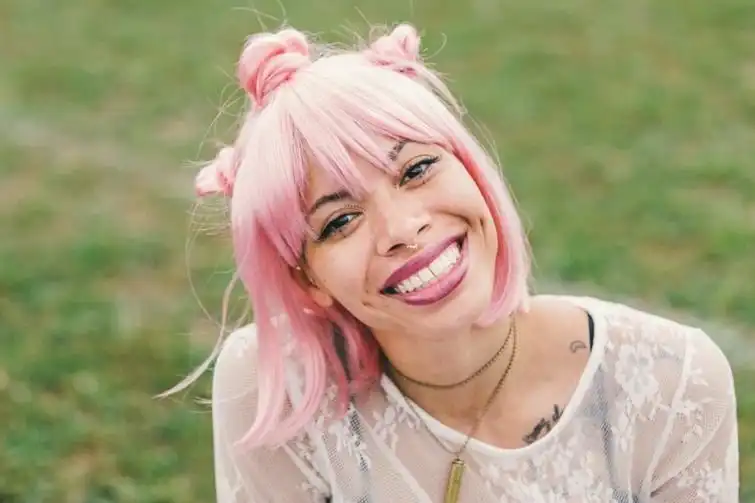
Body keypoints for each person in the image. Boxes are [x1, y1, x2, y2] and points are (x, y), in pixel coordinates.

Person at [182, 22, 739, 502]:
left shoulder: (673, 386)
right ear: (309, 279)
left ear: (471, 168)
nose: (402, 229)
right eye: (340, 221)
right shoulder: (277, 389)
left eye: (416, 169)